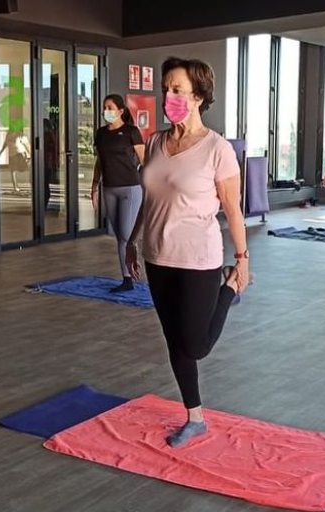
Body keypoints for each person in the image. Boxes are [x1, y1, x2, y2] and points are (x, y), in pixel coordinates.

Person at [125, 57, 251, 448]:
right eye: (166, 88)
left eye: (177, 89)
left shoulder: (217, 149)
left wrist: (242, 261)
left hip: (199, 259)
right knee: (174, 342)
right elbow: (149, 199)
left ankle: (228, 290)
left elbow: (233, 209)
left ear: (197, 97)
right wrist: (133, 240)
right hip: (157, 256)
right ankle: (194, 417)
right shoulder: (156, 143)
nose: (169, 96)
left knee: (194, 344)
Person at [91, 94, 145, 293]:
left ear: (121, 111)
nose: (107, 111)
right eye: (105, 107)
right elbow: (99, 162)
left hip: (130, 188)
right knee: (119, 236)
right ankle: (126, 276)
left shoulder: (131, 132)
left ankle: (128, 278)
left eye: (110, 107)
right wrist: (94, 185)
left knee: (125, 235)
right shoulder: (101, 133)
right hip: (109, 188)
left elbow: (144, 160)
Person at [0, 129, 31, 195]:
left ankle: (30, 184)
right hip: (12, 154)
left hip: (19, 153)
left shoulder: (20, 134)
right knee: (13, 170)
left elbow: (26, 145)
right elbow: (5, 143)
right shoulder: (8, 133)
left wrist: (31, 154)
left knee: (22, 169)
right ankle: (16, 187)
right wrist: (0, 152)